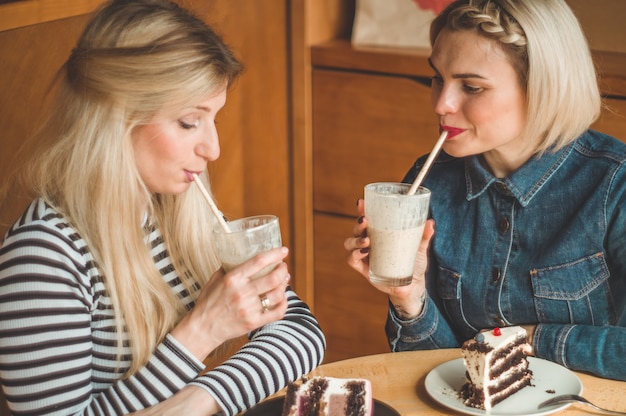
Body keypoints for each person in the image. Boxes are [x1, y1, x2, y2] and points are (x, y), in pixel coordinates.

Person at [0, 0, 325, 414]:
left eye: (214, 120)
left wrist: (202, 398)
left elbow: (299, 332)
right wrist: (202, 330)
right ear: (116, 115)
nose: (213, 148)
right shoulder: (43, 258)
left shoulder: (180, 211)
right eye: (190, 121)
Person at [345, 0, 626, 381]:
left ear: (543, 87)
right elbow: (438, 372)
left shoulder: (614, 184)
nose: (442, 104)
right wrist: (409, 299)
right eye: (437, 78)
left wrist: (529, 340)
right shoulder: (427, 185)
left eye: (471, 87)